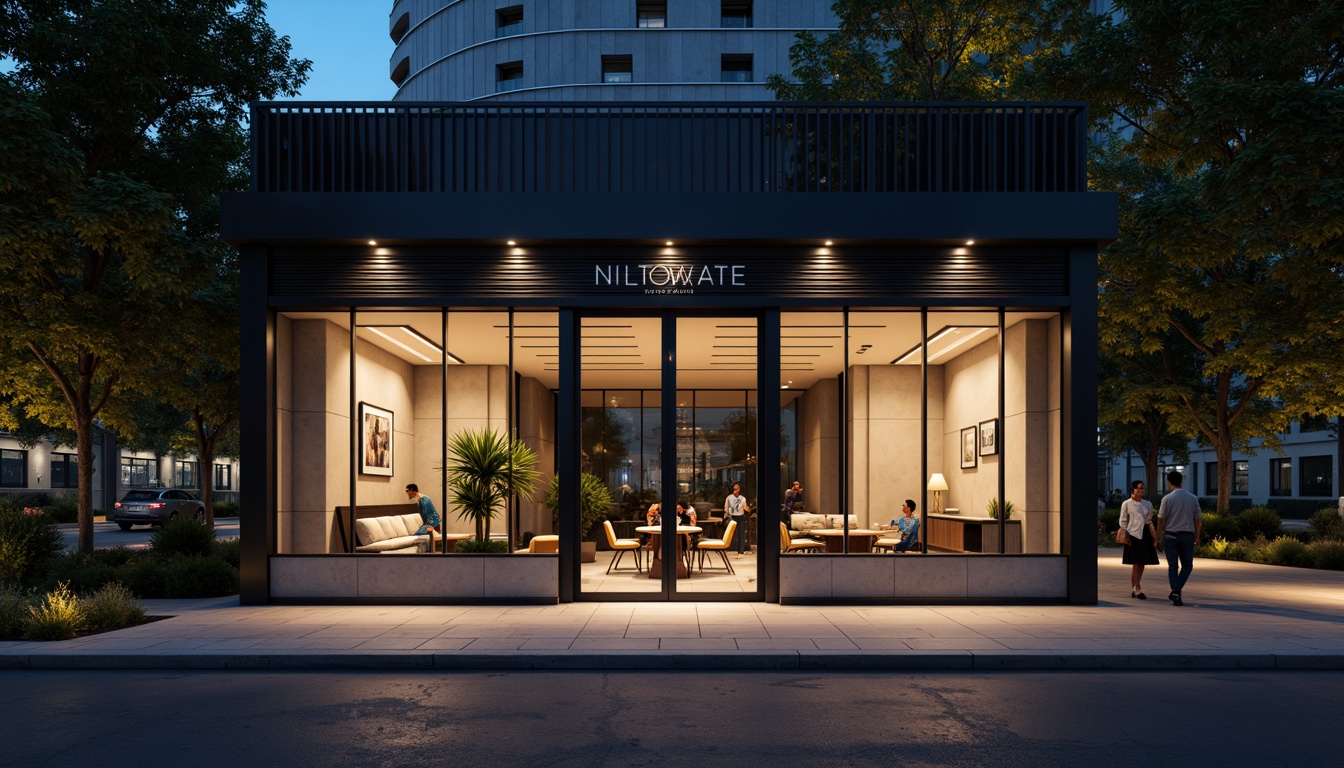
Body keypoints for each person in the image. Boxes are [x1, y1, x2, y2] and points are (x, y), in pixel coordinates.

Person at [1156, 470, 1202, 606]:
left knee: (1173, 566)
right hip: (1187, 536)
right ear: (1181, 481)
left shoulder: (1167, 499)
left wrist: (1159, 535)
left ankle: (1176, 591)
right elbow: (1198, 519)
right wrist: (1198, 536)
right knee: (1187, 565)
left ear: (1168, 482)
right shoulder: (1192, 498)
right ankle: (1176, 592)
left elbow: (1161, 519)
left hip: (1170, 535)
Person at [1118, 480, 1159, 599]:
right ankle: (1136, 587)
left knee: (1142, 562)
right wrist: (1124, 533)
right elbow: (1123, 520)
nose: (1142, 490)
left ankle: (1137, 586)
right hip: (1132, 534)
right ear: (1133, 489)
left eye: (1143, 488)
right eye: (1139, 488)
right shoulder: (1127, 503)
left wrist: (1154, 537)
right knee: (1135, 563)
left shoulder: (1147, 504)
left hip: (1145, 533)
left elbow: (1149, 521)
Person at [724, 483, 750, 555]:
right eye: (735, 488)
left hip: (740, 516)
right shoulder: (729, 498)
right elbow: (726, 508)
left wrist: (748, 509)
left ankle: (741, 550)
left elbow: (745, 507)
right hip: (732, 517)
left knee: (741, 533)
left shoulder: (742, 498)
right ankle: (731, 548)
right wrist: (725, 517)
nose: (736, 490)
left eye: (737, 488)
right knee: (732, 533)